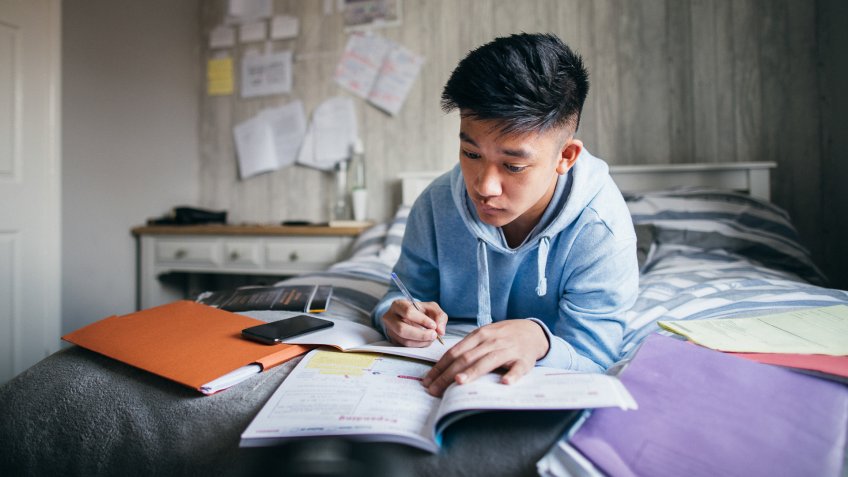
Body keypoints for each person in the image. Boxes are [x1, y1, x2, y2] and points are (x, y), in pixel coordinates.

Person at [371, 33, 638, 397]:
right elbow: (400, 295)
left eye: (513, 166)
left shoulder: (600, 229)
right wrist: (394, 317)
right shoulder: (434, 205)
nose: (485, 186)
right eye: (471, 154)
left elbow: (596, 353)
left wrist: (540, 340)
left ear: (566, 157)